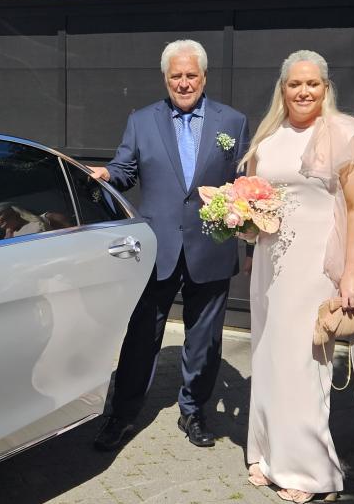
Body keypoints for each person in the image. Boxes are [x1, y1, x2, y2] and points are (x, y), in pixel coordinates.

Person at [240, 49, 354, 502]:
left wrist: (351, 272)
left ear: (326, 87)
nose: (304, 91)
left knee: (303, 362)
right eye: (295, 84)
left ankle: (311, 472)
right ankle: (268, 454)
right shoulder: (268, 138)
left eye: (312, 83)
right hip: (270, 264)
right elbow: (253, 197)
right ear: (283, 89)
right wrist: (241, 226)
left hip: (316, 264)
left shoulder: (345, 134)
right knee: (268, 356)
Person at [89, 39, 250, 451]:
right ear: (165, 78)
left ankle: (194, 411)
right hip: (158, 246)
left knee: (205, 338)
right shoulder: (142, 120)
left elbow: (244, 183)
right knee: (142, 335)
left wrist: (249, 232)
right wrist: (106, 174)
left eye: (191, 75)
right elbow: (125, 168)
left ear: (204, 77)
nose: (183, 83)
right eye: (176, 75)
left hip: (212, 244)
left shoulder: (233, 121)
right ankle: (122, 415)